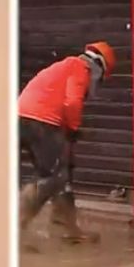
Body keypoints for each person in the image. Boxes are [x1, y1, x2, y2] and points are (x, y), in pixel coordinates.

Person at [17, 41, 116, 246]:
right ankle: (16, 224)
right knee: (54, 177)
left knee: (61, 174)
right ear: (99, 68)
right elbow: (72, 102)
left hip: (25, 117)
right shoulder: (80, 68)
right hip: (41, 120)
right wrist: (73, 129)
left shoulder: (64, 66)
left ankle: (66, 227)